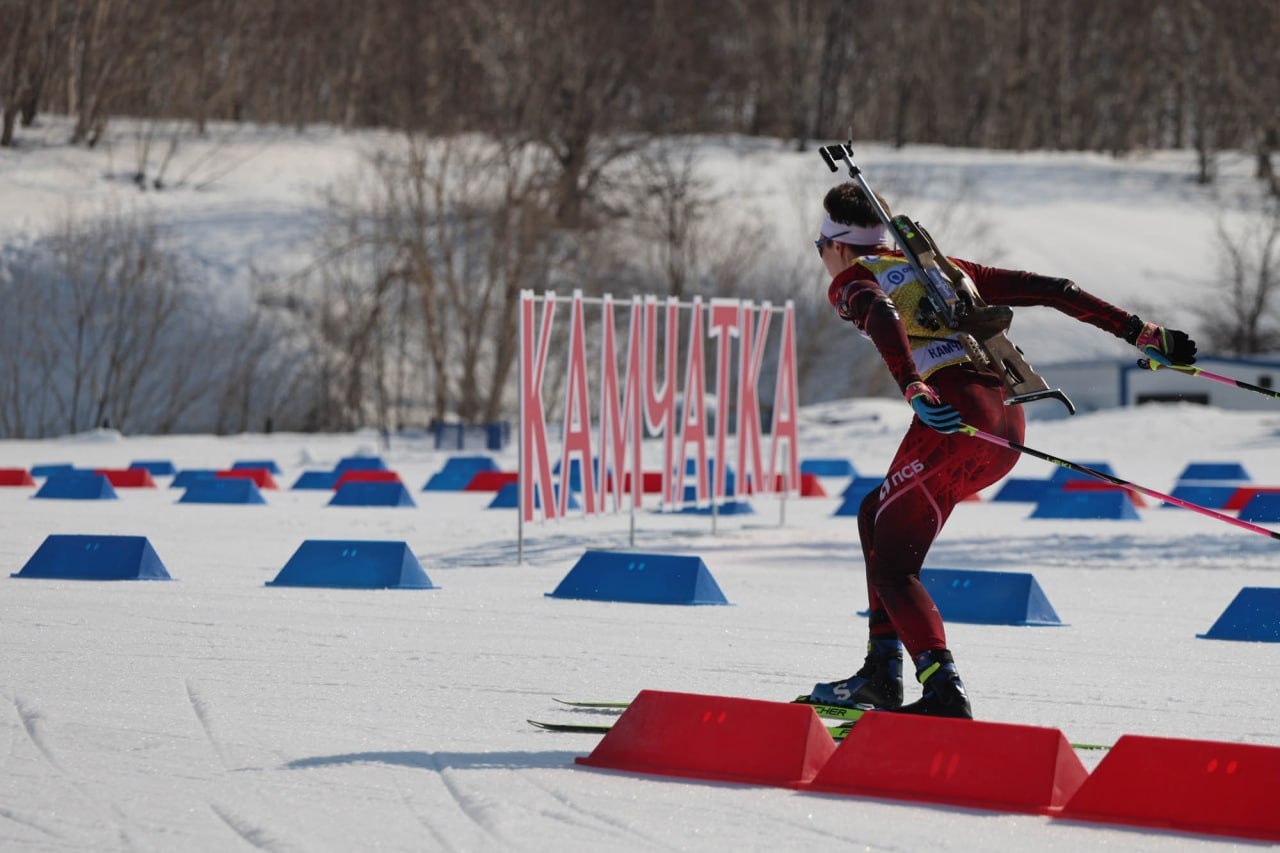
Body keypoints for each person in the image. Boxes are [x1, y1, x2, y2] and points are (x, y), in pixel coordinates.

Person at [805, 182, 1197, 718]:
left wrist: (913, 386)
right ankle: (881, 670)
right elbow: (1056, 289)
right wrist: (1139, 331)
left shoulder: (852, 278)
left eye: (819, 247)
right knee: (876, 513)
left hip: (954, 418)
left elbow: (881, 316)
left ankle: (942, 692)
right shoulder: (943, 268)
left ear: (838, 246)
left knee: (895, 564)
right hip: (1007, 424)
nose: (822, 260)